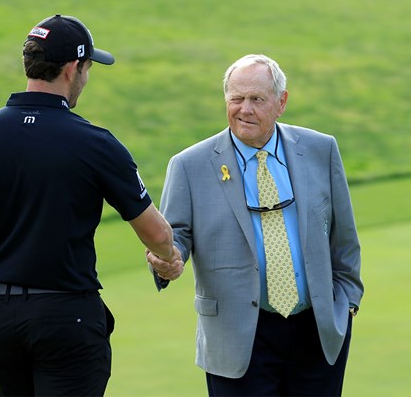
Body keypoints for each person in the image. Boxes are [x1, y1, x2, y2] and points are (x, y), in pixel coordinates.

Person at [0, 14, 183, 396]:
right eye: (88, 67)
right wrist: (170, 258)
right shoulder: (95, 143)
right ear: (72, 68)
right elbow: (155, 231)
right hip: (67, 317)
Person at [147, 54, 364, 396]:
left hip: (316, 331)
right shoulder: (189, 165)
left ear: (282, 102)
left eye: (256, 99)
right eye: (236, 98)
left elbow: (344, 238)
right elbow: (175, 238)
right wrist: (167, 260)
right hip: (237, 337)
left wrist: (347, 302)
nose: (244, 109)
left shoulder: (321, 149)